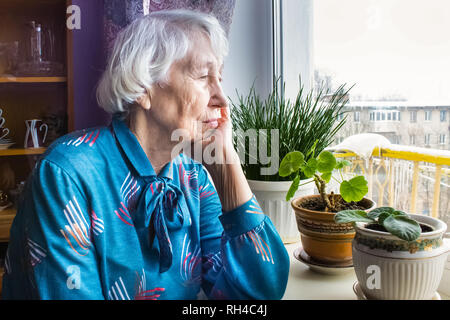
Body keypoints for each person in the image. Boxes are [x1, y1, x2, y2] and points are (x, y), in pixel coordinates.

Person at [2, 9, 289, 300]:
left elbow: (260, 296)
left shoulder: (194, 178)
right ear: (142, 87)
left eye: (220, 78)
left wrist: (226, 165)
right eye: (203, 76)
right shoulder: (67, 174)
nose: (222, 98)